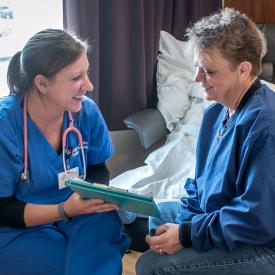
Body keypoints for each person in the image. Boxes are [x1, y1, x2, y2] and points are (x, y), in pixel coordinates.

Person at [136, 8, 275, 274]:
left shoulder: (266, 125)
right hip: (222, 221)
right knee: (153, 216)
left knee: (152, 266)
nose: (198, 79)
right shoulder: (214, 113)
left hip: (263, 244)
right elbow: (199, 187)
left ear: (243, 70)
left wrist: (187, 235)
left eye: (208, 71)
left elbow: (257, 219)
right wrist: (185, 227)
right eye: (197, 67)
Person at [0, 28, 130, 275]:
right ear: (42, 83)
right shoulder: (6, 127)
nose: (89, 85)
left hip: (74, 213)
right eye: (76, 78)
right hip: (17, 226)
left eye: (87, 73)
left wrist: (93, 196)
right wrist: (63, 210)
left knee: (104, 219)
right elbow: (2, 210)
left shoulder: (86, 113)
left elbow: (97, 167)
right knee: (71, 263)